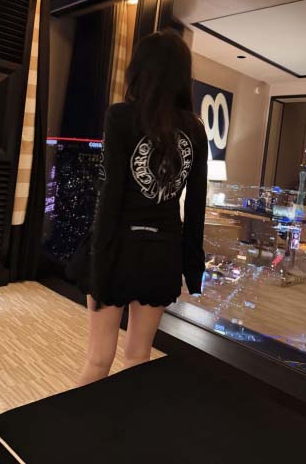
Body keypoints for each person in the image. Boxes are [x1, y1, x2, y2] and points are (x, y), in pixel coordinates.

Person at [77, 30, 208, 386]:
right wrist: (193, 271)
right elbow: (196, 206)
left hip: (118, 248)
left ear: (138, 70)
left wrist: (98, 260)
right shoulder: (195, 130)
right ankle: (126, 421)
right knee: (138, 357)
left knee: (98, 359)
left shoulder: (120, 117)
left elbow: (109, 196)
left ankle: (84, 422)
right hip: (163, 254)